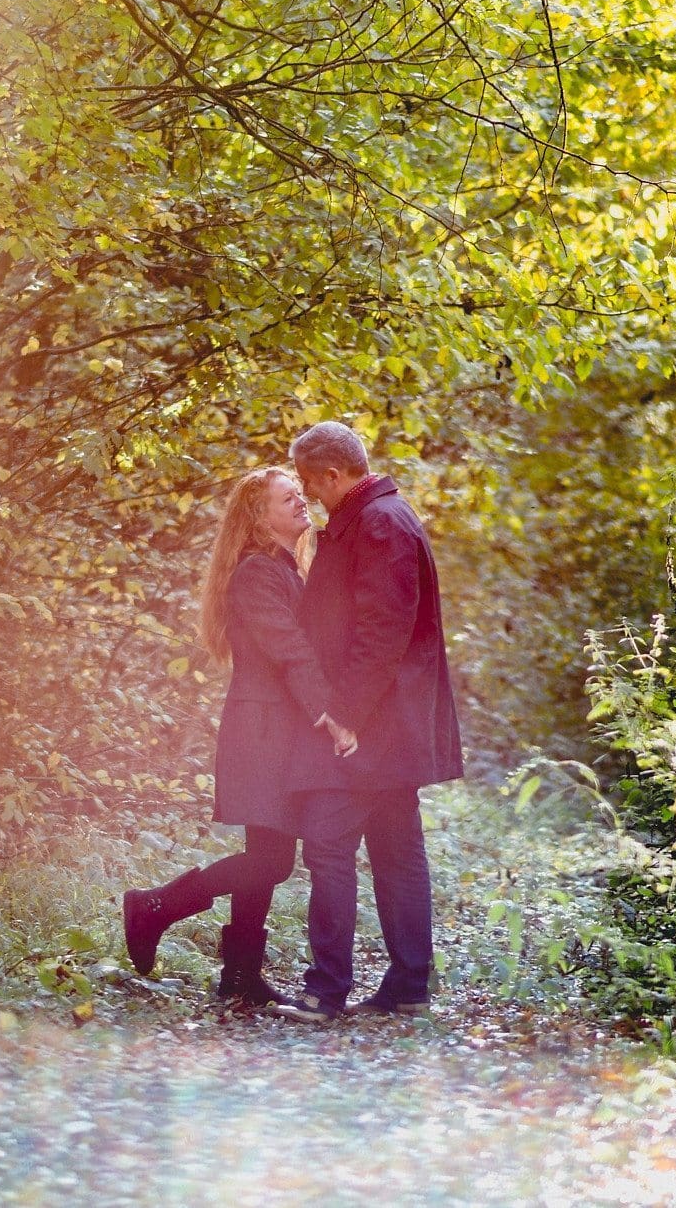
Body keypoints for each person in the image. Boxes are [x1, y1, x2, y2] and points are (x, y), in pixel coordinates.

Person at [121, 466, 357, 1008]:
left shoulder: (281, 569)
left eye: (300, 494)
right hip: (263, 730)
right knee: (273, 860)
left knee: (268, 852)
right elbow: (288, 647)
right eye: (287, 498)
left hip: (278, 727)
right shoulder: (256, 573)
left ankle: (240, 976)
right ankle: (155, 906)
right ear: (258, 517)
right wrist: (330, 712)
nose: (302, 502)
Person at [277, 421, 463, 1021]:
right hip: (392, 721)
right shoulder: (378, 516)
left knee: (329, 845)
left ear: (335, 474)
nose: (310, 498)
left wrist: (348, 715)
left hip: (376, 726)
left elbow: (382, 630)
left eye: (310, 485)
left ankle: (325, 991)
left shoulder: (381, 523)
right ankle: (408, 987)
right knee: (396, 849)